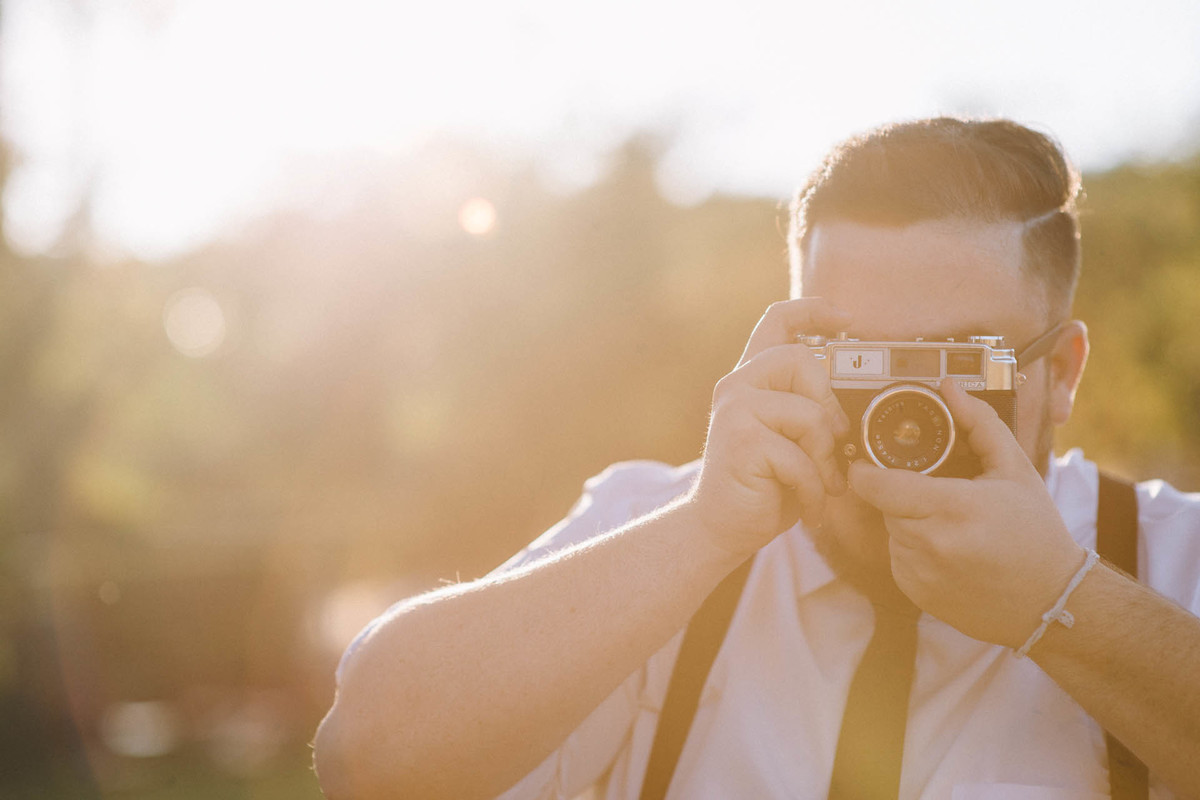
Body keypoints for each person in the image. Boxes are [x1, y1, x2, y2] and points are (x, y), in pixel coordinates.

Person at [312, 117, 1200, 799]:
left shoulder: (1169, 558)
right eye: (859, 359)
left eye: (962, 362)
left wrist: (1065, 603)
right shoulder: (659, 530)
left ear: (1061, 374)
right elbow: (368, 758)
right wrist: (705, 534)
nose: (905, 413)